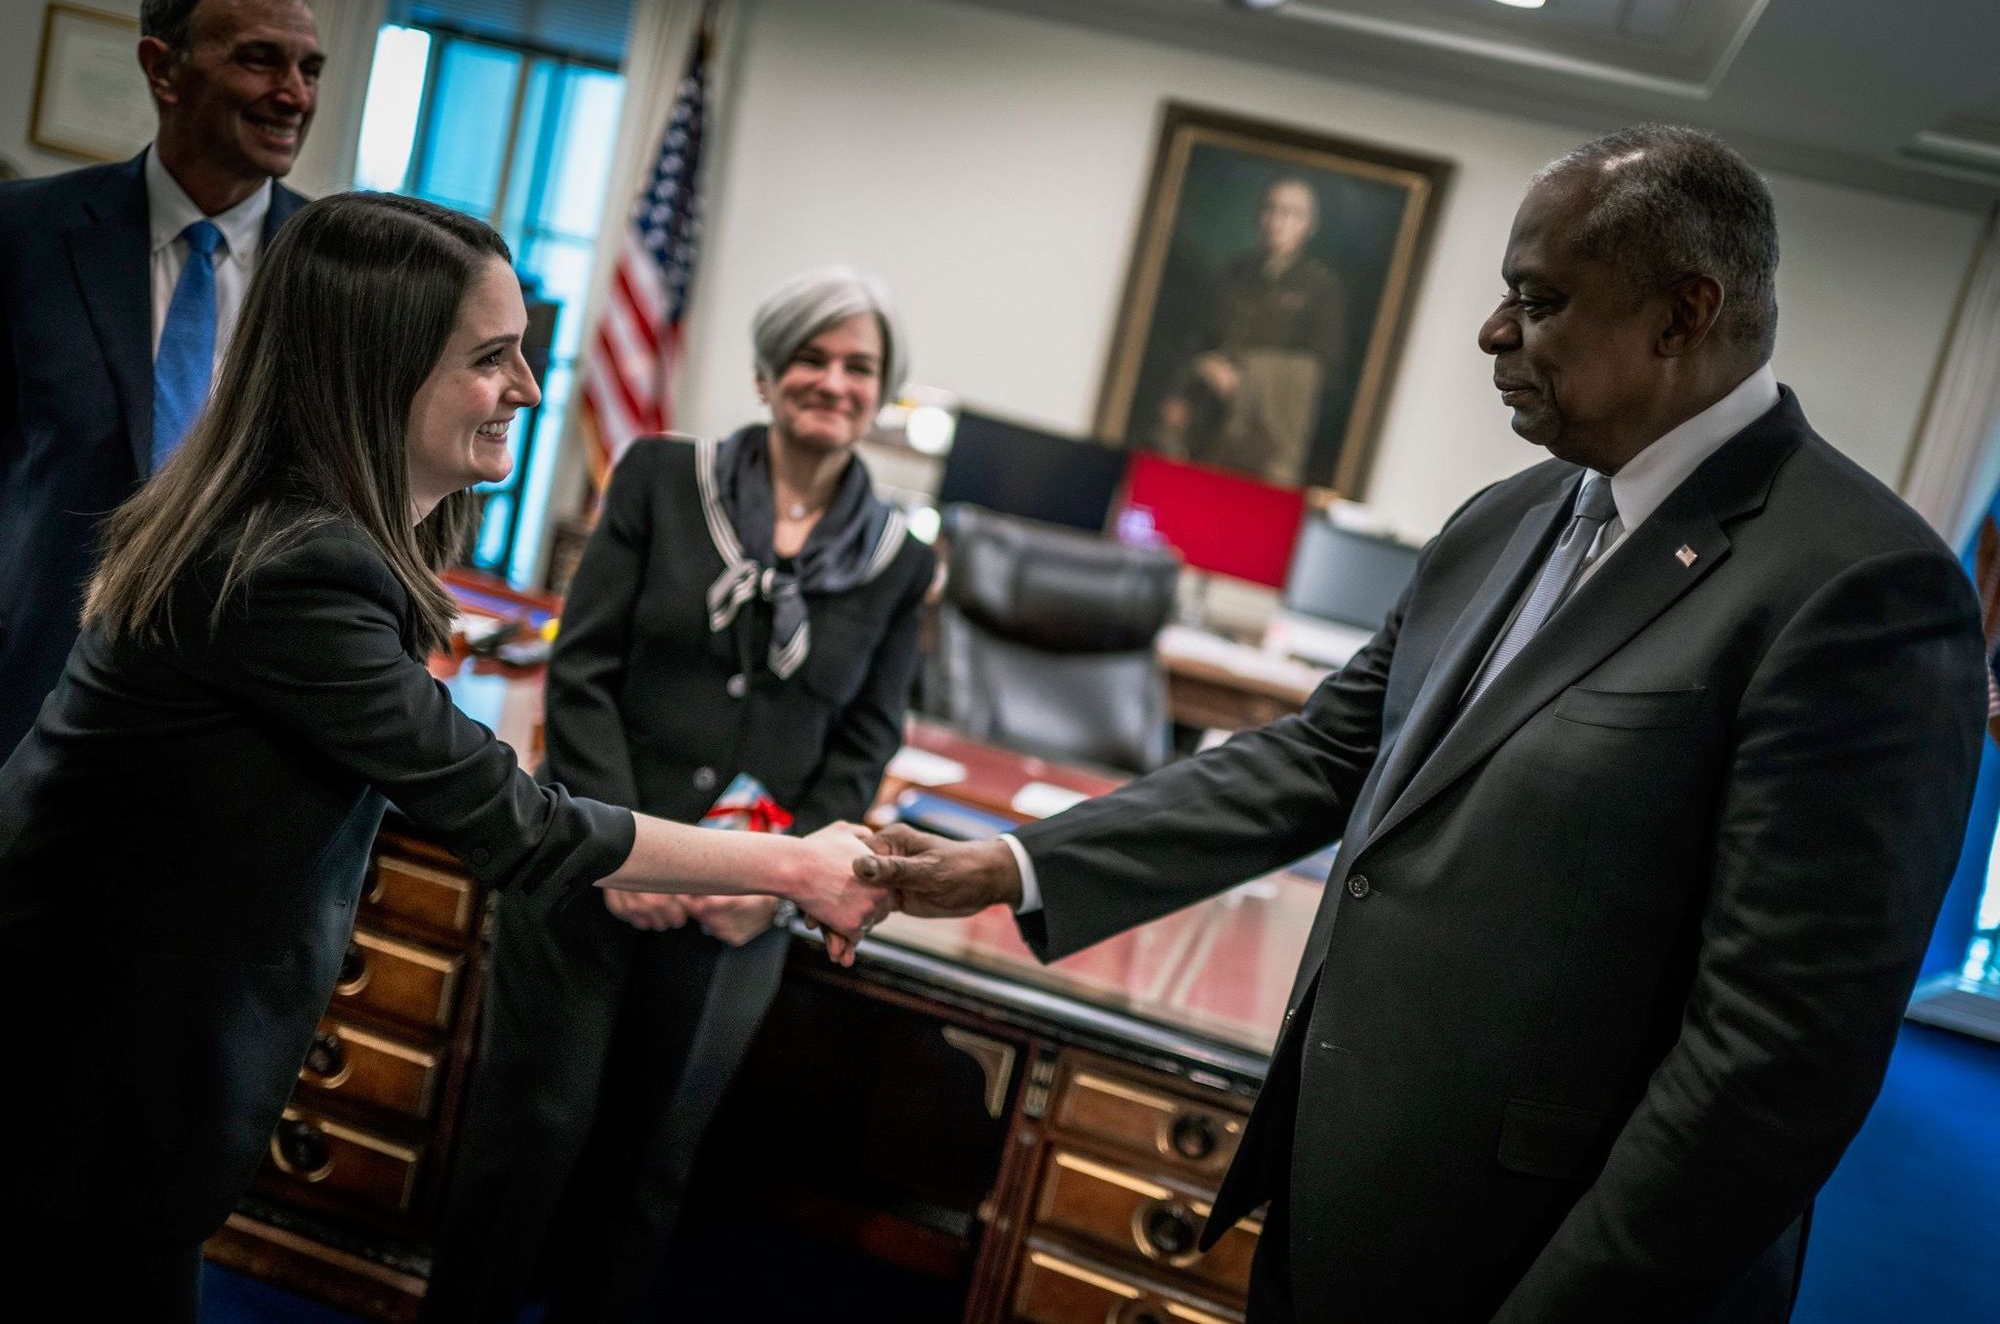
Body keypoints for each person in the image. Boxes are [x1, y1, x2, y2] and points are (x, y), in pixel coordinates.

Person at [859, 125, 1988, 1323]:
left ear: (1681, 314)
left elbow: (1771, 1061)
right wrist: (1014, 864)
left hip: (1538, 1263)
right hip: (1338, 1203)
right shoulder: (1506, 516)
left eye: (1536, 301)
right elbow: (1323, 755)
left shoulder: (1858, 587)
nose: (1493, 333)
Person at [0, 194, 887, 1322]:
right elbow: (520, 821)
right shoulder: (294, 569)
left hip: (94, 1056)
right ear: (382, 371)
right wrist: (795, 867)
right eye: (491, 357)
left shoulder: (296, 533)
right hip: (72, 1069)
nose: (528, 388)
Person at [425, 267, 935, 1322]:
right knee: (533, 1130)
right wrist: (622, 849)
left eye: (859, 367)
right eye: (811, 357)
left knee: (651, 1162)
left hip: (739, 906)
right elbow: (582, 669)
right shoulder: (662, 476)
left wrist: (776, 883)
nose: (833, 382)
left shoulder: (898, 559)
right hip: (586, 860)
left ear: (880, 393)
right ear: (765, 373)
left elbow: (863, 742)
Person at [0, 0, 323, 757]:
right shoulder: (23, 233)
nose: (295, 95)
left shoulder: (335, 272)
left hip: (231, 722)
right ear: (163, 69)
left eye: (310, 69)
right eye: (259, 59)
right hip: (24, 690)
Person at [1155, 175, 1345, 483]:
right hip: (1210, 420)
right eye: (1271, 209)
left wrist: (1246, 377)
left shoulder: (1321, 287)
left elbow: (1323, 367)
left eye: (1291, 213)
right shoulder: (1235, 271)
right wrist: (1190, 381)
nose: (1278, 221)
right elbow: (1199, 339)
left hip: (1269, 432)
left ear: (1309, 225)